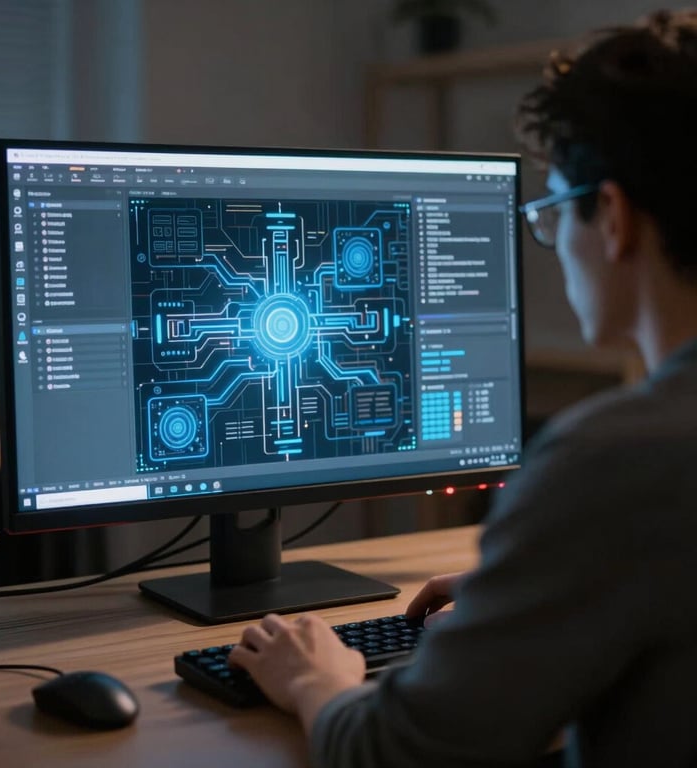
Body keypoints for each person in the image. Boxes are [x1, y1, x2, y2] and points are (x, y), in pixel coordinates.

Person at [229, 9, 697, 767]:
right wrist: (544, 585)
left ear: (612, 217)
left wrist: (314, 678)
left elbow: (393, 753)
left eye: (553, 211)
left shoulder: (614, 460)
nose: (554, 241)